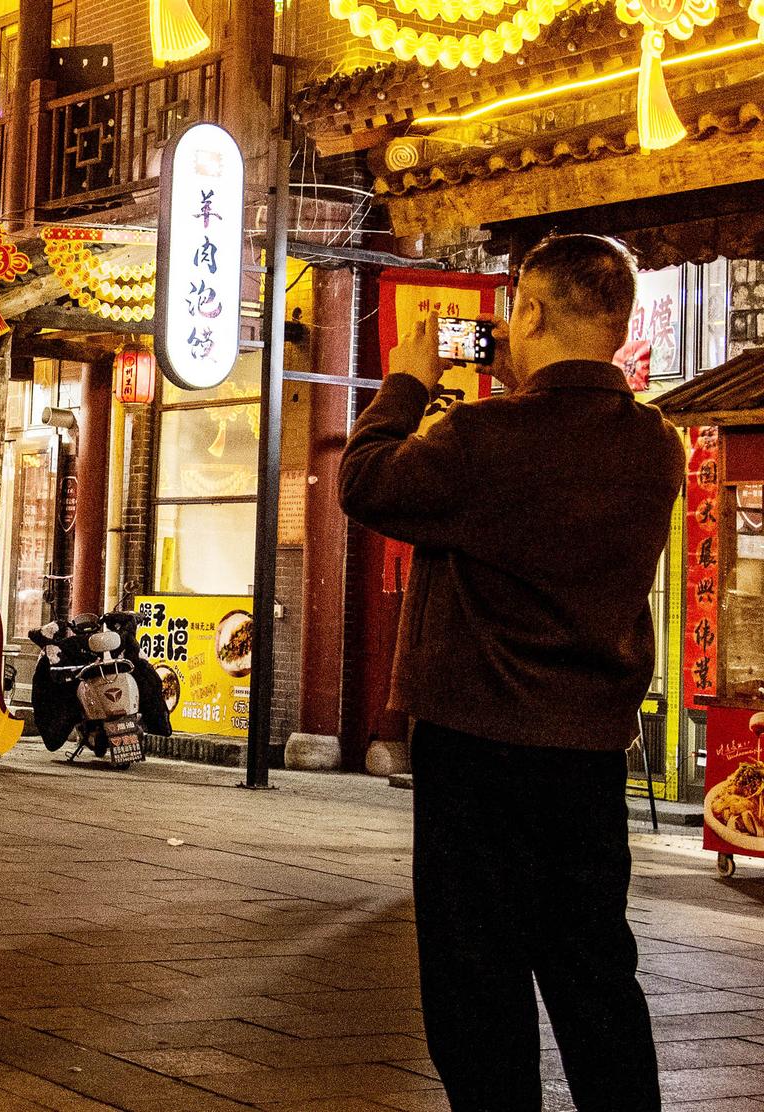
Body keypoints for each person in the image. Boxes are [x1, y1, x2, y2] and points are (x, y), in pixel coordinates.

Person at [338, 234, 684, 1111]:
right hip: (588, 754)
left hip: (477, 746)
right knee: (594, 968)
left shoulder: (481, 439)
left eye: (514, 308)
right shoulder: (654, 447)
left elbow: (367, 480)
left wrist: (410, 381)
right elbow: (549, 462)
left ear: (528, 310)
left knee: (476, 971)